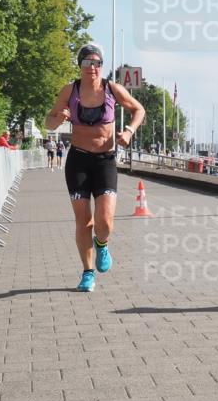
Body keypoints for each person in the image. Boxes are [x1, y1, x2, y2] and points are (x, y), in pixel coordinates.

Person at [44, 43, 146, 292]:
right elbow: (48, 122)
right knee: (83, 221)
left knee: (105, 222)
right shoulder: (70, 90)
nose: (92, 68)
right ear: (80, 66)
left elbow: (138, 109)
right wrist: (59, 118)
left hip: (105, 161)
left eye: (97, 63)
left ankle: (102, 244)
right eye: (87, 63)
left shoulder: (112, 89)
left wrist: (130, 131)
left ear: (102, 66)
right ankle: (87, 272)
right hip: (78, 161)